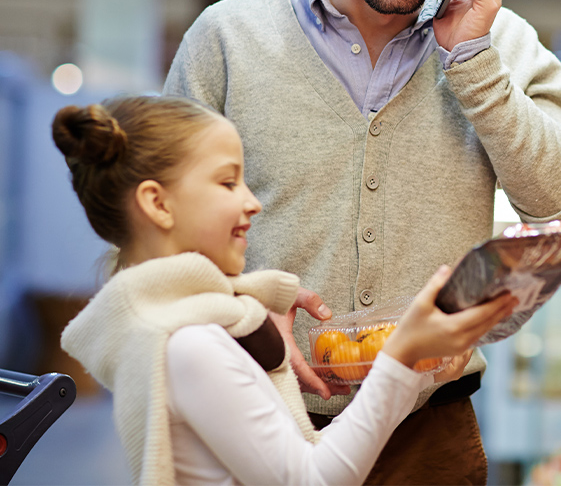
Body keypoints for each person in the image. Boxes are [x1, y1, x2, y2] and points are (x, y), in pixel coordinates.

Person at [163, 0, 561, 481]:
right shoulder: (228, 39)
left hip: (427, 440)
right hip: (250, 420)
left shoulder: (504, 46)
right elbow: (152, 242)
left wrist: (473, 64)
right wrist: (236, 314)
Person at [55, 95, 516, 486]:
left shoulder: (188, 325)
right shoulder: (190, 345)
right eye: (227, 181)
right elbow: (310, 479)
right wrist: (402, 359)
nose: (251, 202)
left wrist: (415, 366)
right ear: (157, 203)